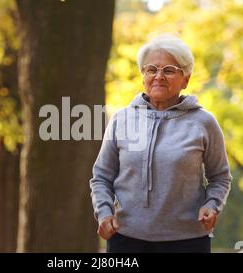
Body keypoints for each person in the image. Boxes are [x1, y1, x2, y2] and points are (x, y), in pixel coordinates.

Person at [89, 34, 232, 253]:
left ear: (186, 79)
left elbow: (220, 177)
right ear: (143, 76)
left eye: (169, 70)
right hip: (126, 239)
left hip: (187, 241)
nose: (159, 76)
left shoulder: (204, 122)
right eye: (151, 69)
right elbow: (101, 177)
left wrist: (212, 205)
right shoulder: (122, 119)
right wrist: (104, 212)